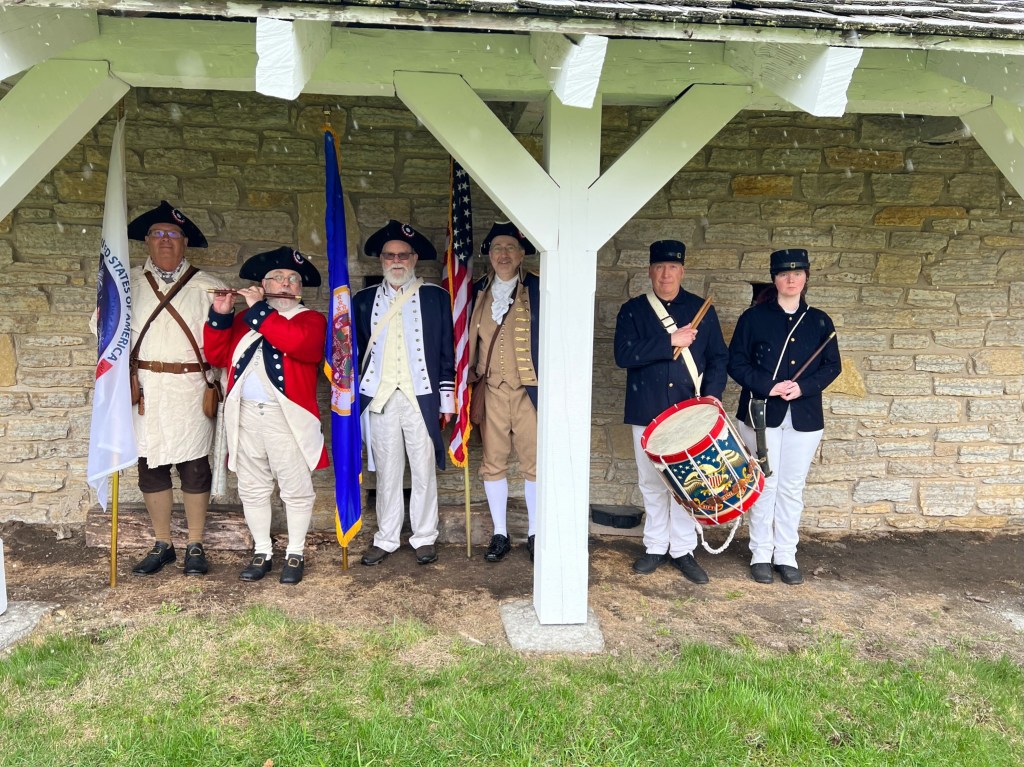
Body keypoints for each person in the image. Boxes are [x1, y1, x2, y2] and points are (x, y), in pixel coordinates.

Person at [204, 247, 328, 585]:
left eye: (293, 279)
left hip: (286, 418)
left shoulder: (311, 319)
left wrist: (258, 309)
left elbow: (300, 345)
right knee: (253, 488)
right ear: (263, 282)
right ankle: (262, 550)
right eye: (278, 278)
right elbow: (216, 355)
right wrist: (221, 315)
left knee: (295, 489)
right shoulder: (246, 319)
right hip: (244, 416)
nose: (286, 284)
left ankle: (296, 552)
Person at [613, 239, 728, 584]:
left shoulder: (701, 310)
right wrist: (670, 342)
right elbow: (623, 355)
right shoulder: (632, 310)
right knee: (651, 483)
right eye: (660, 267)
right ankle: (655, 546)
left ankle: (682, 549)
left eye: (673, 267)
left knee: (686, 483)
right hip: (646, 407)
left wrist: (711, 397)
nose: (666, 274)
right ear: (650, 271)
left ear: (682, 270)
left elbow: (719, 358)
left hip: (689, 410)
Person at [125, 201, 227, 577]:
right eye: (158, 234)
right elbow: (107, 336)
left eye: (173, 235)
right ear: (147, 242)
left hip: (190, 387)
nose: (165, 241)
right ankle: (163, 543)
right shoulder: (127, 284)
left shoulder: (208, 286)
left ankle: (196, 545)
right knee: (150, 466)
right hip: (146, 389)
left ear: (185, 243)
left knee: (195, 466)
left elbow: (222, 342)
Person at [728, 249, 841, 586]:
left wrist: (803, 387)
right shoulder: (753, 318)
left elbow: (832, 366)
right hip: (761, 413)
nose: (791, 279)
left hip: (804, 417)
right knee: (765, 484)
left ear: (806, 277)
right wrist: (770, 386)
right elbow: (736, 363)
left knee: (792, 487)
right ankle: (761, 553)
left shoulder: (820, 320)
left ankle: (786, 554)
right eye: (784, 274)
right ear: (774, 278)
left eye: (797, 273)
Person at [354, 221, 455, 567]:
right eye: (389, 255)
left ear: (414, 258)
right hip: (379, 398)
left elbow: (447, 352)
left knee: (424, 469)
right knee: (388, 471)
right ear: (381, 260)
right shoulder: (363, 300)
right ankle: (386, 537)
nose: (396, 261)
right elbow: (350, 353)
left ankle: (425, 536)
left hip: (421, 396)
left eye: (403, 255)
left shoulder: (436, 298)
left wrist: (446, 400)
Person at [468, 222, 540, 563]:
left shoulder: (538, 288)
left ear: (522, 253)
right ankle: (500, 533)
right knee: (493, 464)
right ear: (489, 253)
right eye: (497, 248)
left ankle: (536, 533)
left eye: (510, 247)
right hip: (491, 390)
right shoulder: (477, 289)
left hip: (530, 390)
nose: (504, 254)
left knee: (535, 465)